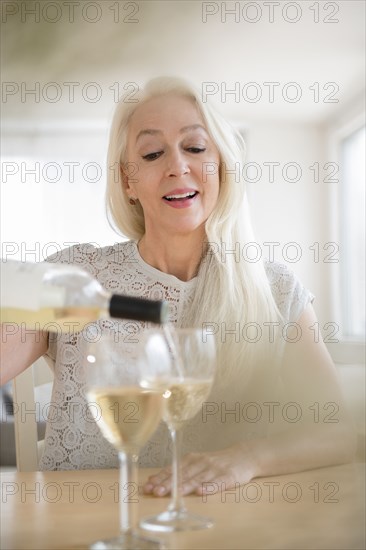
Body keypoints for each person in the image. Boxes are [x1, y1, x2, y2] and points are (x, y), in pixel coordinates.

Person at [0, 77, 356, 495]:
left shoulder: (274, 290)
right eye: (152, 153)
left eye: (196, 147)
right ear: (128, 181)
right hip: (81, 525)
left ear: (220, 166)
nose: (177, 166)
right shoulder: (78, 274)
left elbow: (339, 432)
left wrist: (249, 457)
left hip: (220, 529)